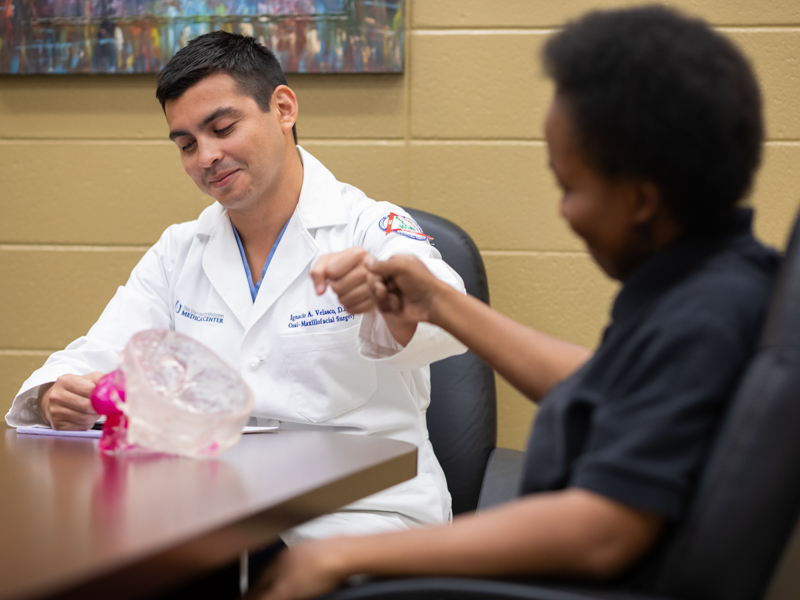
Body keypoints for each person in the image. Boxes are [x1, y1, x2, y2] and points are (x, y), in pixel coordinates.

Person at [251, 6, 781, 599]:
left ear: (640, 199)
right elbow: (604, 384)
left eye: (569, 187)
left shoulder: (702, 318)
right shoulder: (718, 281)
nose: (563, 211)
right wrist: (440, 303)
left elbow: (601, 533)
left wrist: (343, 555)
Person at [4, 31, 467, 545]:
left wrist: (390, 302)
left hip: (357, 517)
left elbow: (445, 312)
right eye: (186, 144)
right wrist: (55, 395)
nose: (206, 156)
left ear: (283, 108)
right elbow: (96, 354)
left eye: (222, 128)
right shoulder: (181, 251)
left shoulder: (368, 227)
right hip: (211, 511)